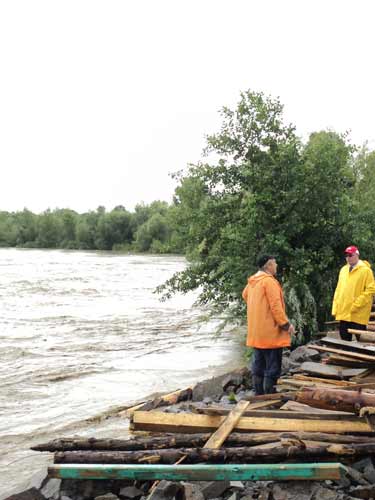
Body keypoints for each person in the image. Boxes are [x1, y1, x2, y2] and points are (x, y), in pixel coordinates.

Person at [242, 255, 295, 395]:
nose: (276, 266)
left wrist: (258, 309)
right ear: (269, 265)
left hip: (256, 332)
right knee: (272, 369)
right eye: (275, 263)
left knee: (258, 367)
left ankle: (258, 396)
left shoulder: (253, 281)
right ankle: (269, 398)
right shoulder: (269, 282)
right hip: (270, 334)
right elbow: (276, 307)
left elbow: (245, 295)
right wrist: (286, 324)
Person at [332, 245, 375, 341]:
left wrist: (357, 304)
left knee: (361, 342)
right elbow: (339, 289)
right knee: (344, 340)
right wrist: (335, 307)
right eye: (346, 255)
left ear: (357, 255)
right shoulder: (343, 270)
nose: (348, 258)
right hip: (344, 313)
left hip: (358, 313)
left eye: (350, 255)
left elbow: (371, 290)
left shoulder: (366, 271)